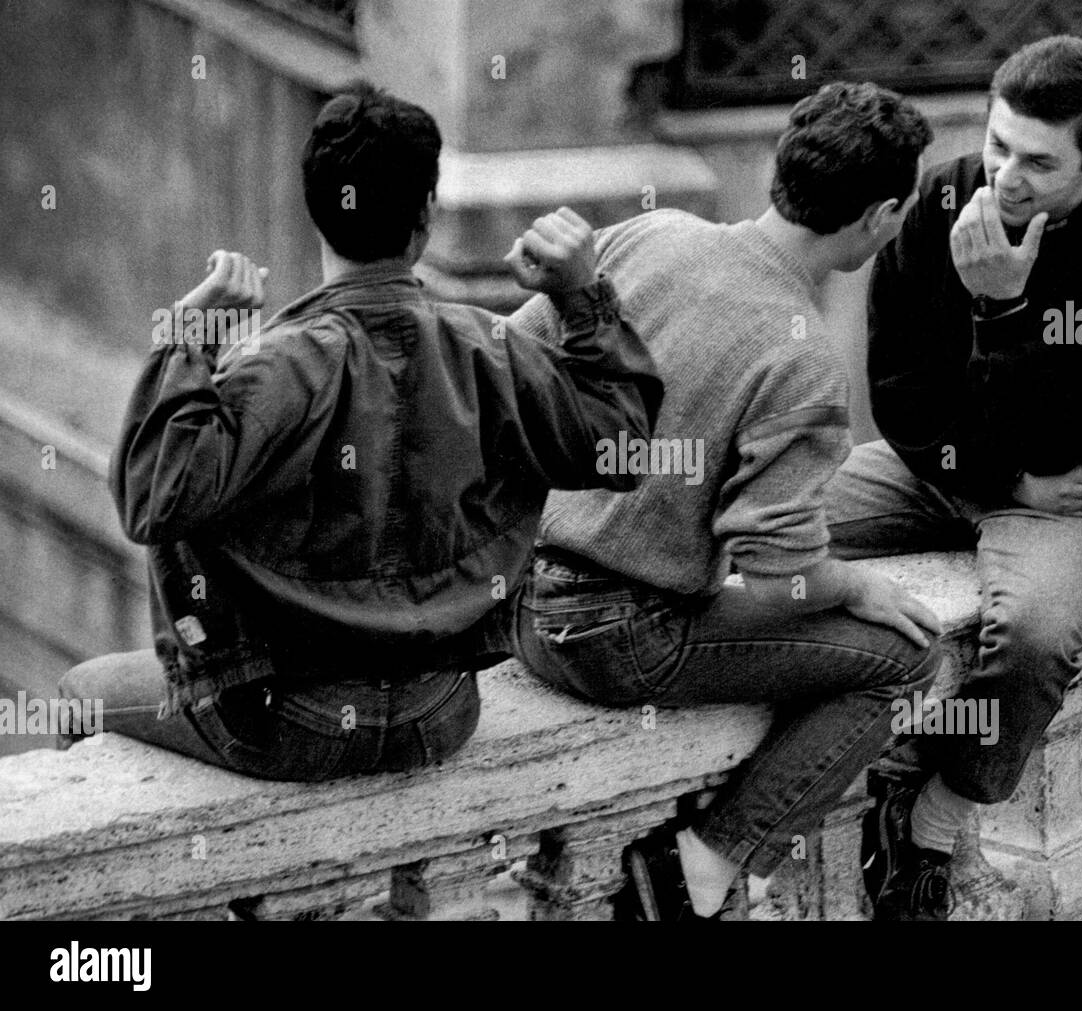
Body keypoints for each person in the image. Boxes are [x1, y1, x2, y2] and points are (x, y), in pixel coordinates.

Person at [57, 82, 663, 781]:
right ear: (426, 214)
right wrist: (580, 294)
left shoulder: (276, 367)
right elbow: (624, 444)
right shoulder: (490, 348)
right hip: (440, 713)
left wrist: (189, 336)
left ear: (315, 209)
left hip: (286, 724)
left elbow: (153, 496)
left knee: (78, 693)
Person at [507, 81, 943, 920]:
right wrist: (856, 585)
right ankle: (701, 867)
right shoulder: (803, 355)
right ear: (882, 216)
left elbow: (511, 374)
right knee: (910, 662)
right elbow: (782, 581)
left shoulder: (647, 233)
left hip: (522, 609)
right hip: (617, 644)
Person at [826, 35, 1082, 919]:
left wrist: (1003, 308)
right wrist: (1004, 478)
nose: (1005, 177)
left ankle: (934, 819)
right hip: (951, 469)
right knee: (758, 517)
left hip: (1073, 488)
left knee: (1032, 634)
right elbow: (898, 398)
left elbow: (1080, 437)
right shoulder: (942, 199)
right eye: (998, 144)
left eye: (1038, 160)